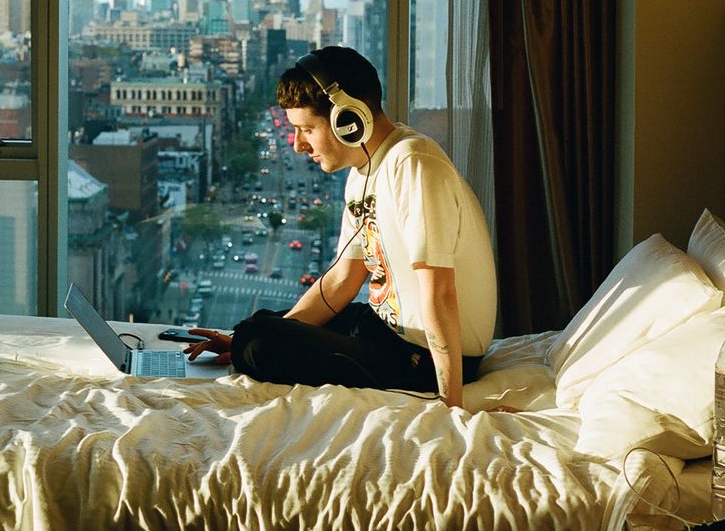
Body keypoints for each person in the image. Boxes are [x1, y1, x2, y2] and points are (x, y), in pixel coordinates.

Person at [185, 46, 497, 408]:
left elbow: (439, 292)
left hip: (422, 357)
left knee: (260, 342)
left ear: (348, 120)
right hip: (383, 331)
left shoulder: (413, 165)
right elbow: (340, 282)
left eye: (305, 130)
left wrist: (451, 404)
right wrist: (257, 335)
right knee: (259, 324)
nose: (297, 145)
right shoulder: (362, 173)